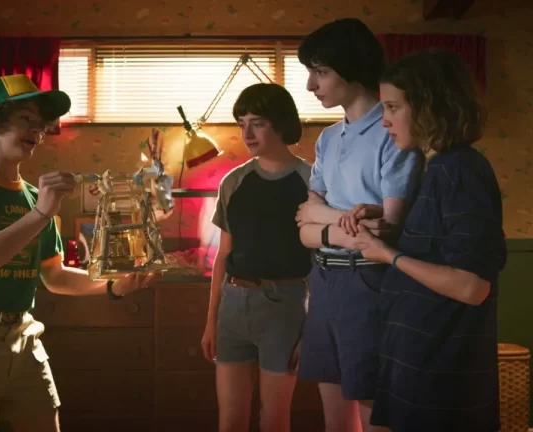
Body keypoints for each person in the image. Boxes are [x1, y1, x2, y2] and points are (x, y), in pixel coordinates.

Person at [0, 73, 161, 432]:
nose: (37, 131)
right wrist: (40, 215)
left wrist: (114, 286)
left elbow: (55, 276)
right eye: (25, 119)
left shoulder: (37, 198)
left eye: (40, 124)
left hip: (23, 334)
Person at [345, 48, 507, 432]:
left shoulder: (460, 171)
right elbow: (438, 245)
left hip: (443, 378)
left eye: (393, 107)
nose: (384, 120)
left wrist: (388, 254)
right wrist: (383, 217)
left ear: (430, 106)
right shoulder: (434, 169)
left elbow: (471, 286)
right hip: (418, 366)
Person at [292, 18, 424, 432]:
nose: (311, 85)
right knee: (332, 404)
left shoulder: (392, 129)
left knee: (373, 405)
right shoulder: (329, 138)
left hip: (368, 278)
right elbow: (304, 218)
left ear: (349, 69)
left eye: (320, 72)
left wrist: (323, 219)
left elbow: (387, 226)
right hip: (324, 277)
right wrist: (341, 221)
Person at [201, 82, 311, 432]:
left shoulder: (310, 180)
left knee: (274, 419)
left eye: (258, 123)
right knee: (230, 421)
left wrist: (312, 329)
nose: (247, 133)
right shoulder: (234, 182)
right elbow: (224, 255)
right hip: (234, 304)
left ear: (280, 124)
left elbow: (322, 263)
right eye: (242, 123)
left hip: (285, 305)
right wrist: (211, 320)